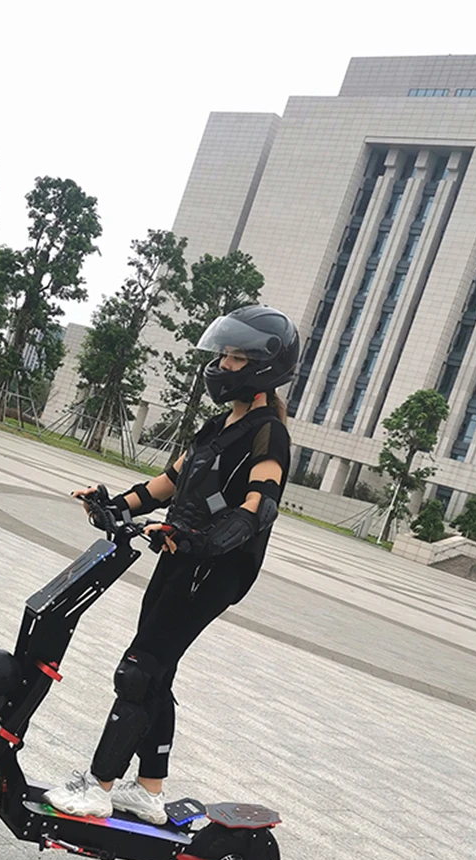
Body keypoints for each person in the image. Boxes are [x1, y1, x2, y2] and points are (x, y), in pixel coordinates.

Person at [44, 305, 298, 825]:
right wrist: (113, 505)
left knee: (138, 671)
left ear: (263, 369)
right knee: (156, 673)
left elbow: (260, 505)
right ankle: (149, 791)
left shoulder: (268, 432)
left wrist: (203, 541)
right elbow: (166, 485)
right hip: (180, 557)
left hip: (214, 568)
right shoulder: (217, 427)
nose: (222, 366)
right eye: (223, 356)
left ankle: (98, 787)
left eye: (235, 358)